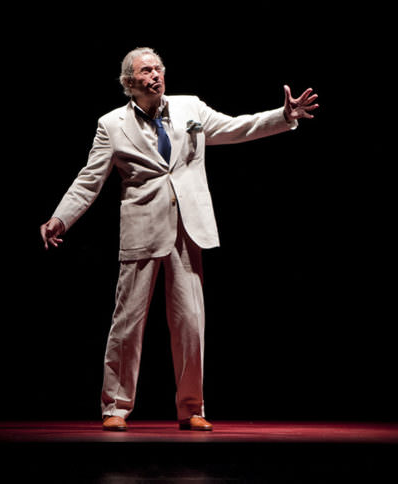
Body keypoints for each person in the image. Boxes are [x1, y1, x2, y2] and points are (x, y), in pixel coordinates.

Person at [40, 47, 318, 431]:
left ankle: (191, 407)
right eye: (145, 70)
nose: (155, 74)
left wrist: (283, 116)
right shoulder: (112, 124)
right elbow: (90, 179)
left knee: (190, 321)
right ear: (129, 82)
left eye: (158, 68)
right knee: (128, 321)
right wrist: (61, 218)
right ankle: (115, 406)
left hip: (188, 229)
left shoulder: (191, 108)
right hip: (142, 228)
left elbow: (236, 126)